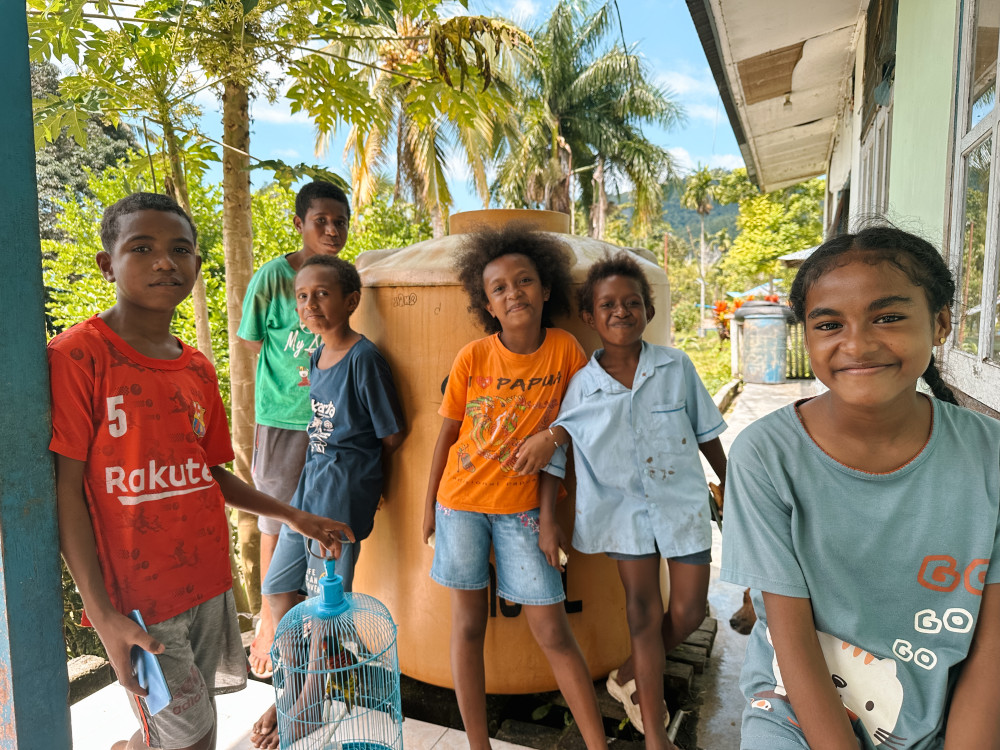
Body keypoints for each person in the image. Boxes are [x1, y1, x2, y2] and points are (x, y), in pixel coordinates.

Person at [49, 192, 354, 750]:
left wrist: (295, 516)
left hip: (207, 582)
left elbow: (209, 473)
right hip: (139, 601)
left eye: (181, 249)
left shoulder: (195, 368)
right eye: (142, 248)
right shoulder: (78, 357)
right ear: (107, 263)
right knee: (191, 738)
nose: (165, 261)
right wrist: (102, 612)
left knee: (191, 724)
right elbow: (66, 490)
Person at [721, 226, 1000, 749]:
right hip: (797, 716)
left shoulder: (991, 458)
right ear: (808, 337)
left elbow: (990, 652)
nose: (857, 344)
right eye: (829, 324)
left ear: (941, 323)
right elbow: (792, 641)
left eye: (888, 317)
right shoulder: (766, 456)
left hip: (943, 716)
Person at [518, 252, 727, 748]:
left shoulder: (676, 366)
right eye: (607, 304)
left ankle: (630, 673)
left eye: (632, 302)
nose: (620, 311)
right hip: (622, 512)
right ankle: (654, 734)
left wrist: (732, 488)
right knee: (643, 613)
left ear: (648, 311)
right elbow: (556, 454)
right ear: (589, 316)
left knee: (689, 613)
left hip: (681, 504)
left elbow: (707, 435)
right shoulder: (583, 386)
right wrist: (547, 519)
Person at [421, 224, 607, 750]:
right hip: (460, 503)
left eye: (524, 281)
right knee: (467, 628)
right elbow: (447, 437)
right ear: (488, 305)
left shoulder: (565, 350)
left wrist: (552, 440)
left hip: (524, 510)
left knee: (552, 631)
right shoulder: (473, 357)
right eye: (498, 288)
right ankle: (477, 746)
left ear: (546, 288)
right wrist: (428, 507)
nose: (513, 293)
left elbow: (588, 415)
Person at [250, 254, 405, 749]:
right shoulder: (317, 355)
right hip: (308, 488)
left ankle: (311, 700)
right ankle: (296, 686)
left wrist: (372, 485)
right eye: (302, 296)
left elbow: (392, 434)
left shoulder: (363, 358)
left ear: (351, 301)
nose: (310, 304)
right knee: (278, 589)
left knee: (324, 603)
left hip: (341, 496)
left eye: (322, 294)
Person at [237, 180, 352, 678]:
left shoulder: (343, 278)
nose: (331, 230)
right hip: (282, 418)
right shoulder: (273, 277)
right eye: (320, 221)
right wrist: (291, 382)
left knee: (317, 515)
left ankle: (312, 627)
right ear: (299, 223)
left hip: (328, 418)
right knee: (274, 516)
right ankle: (269, 623)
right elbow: (253, 341)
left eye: (340, 222)